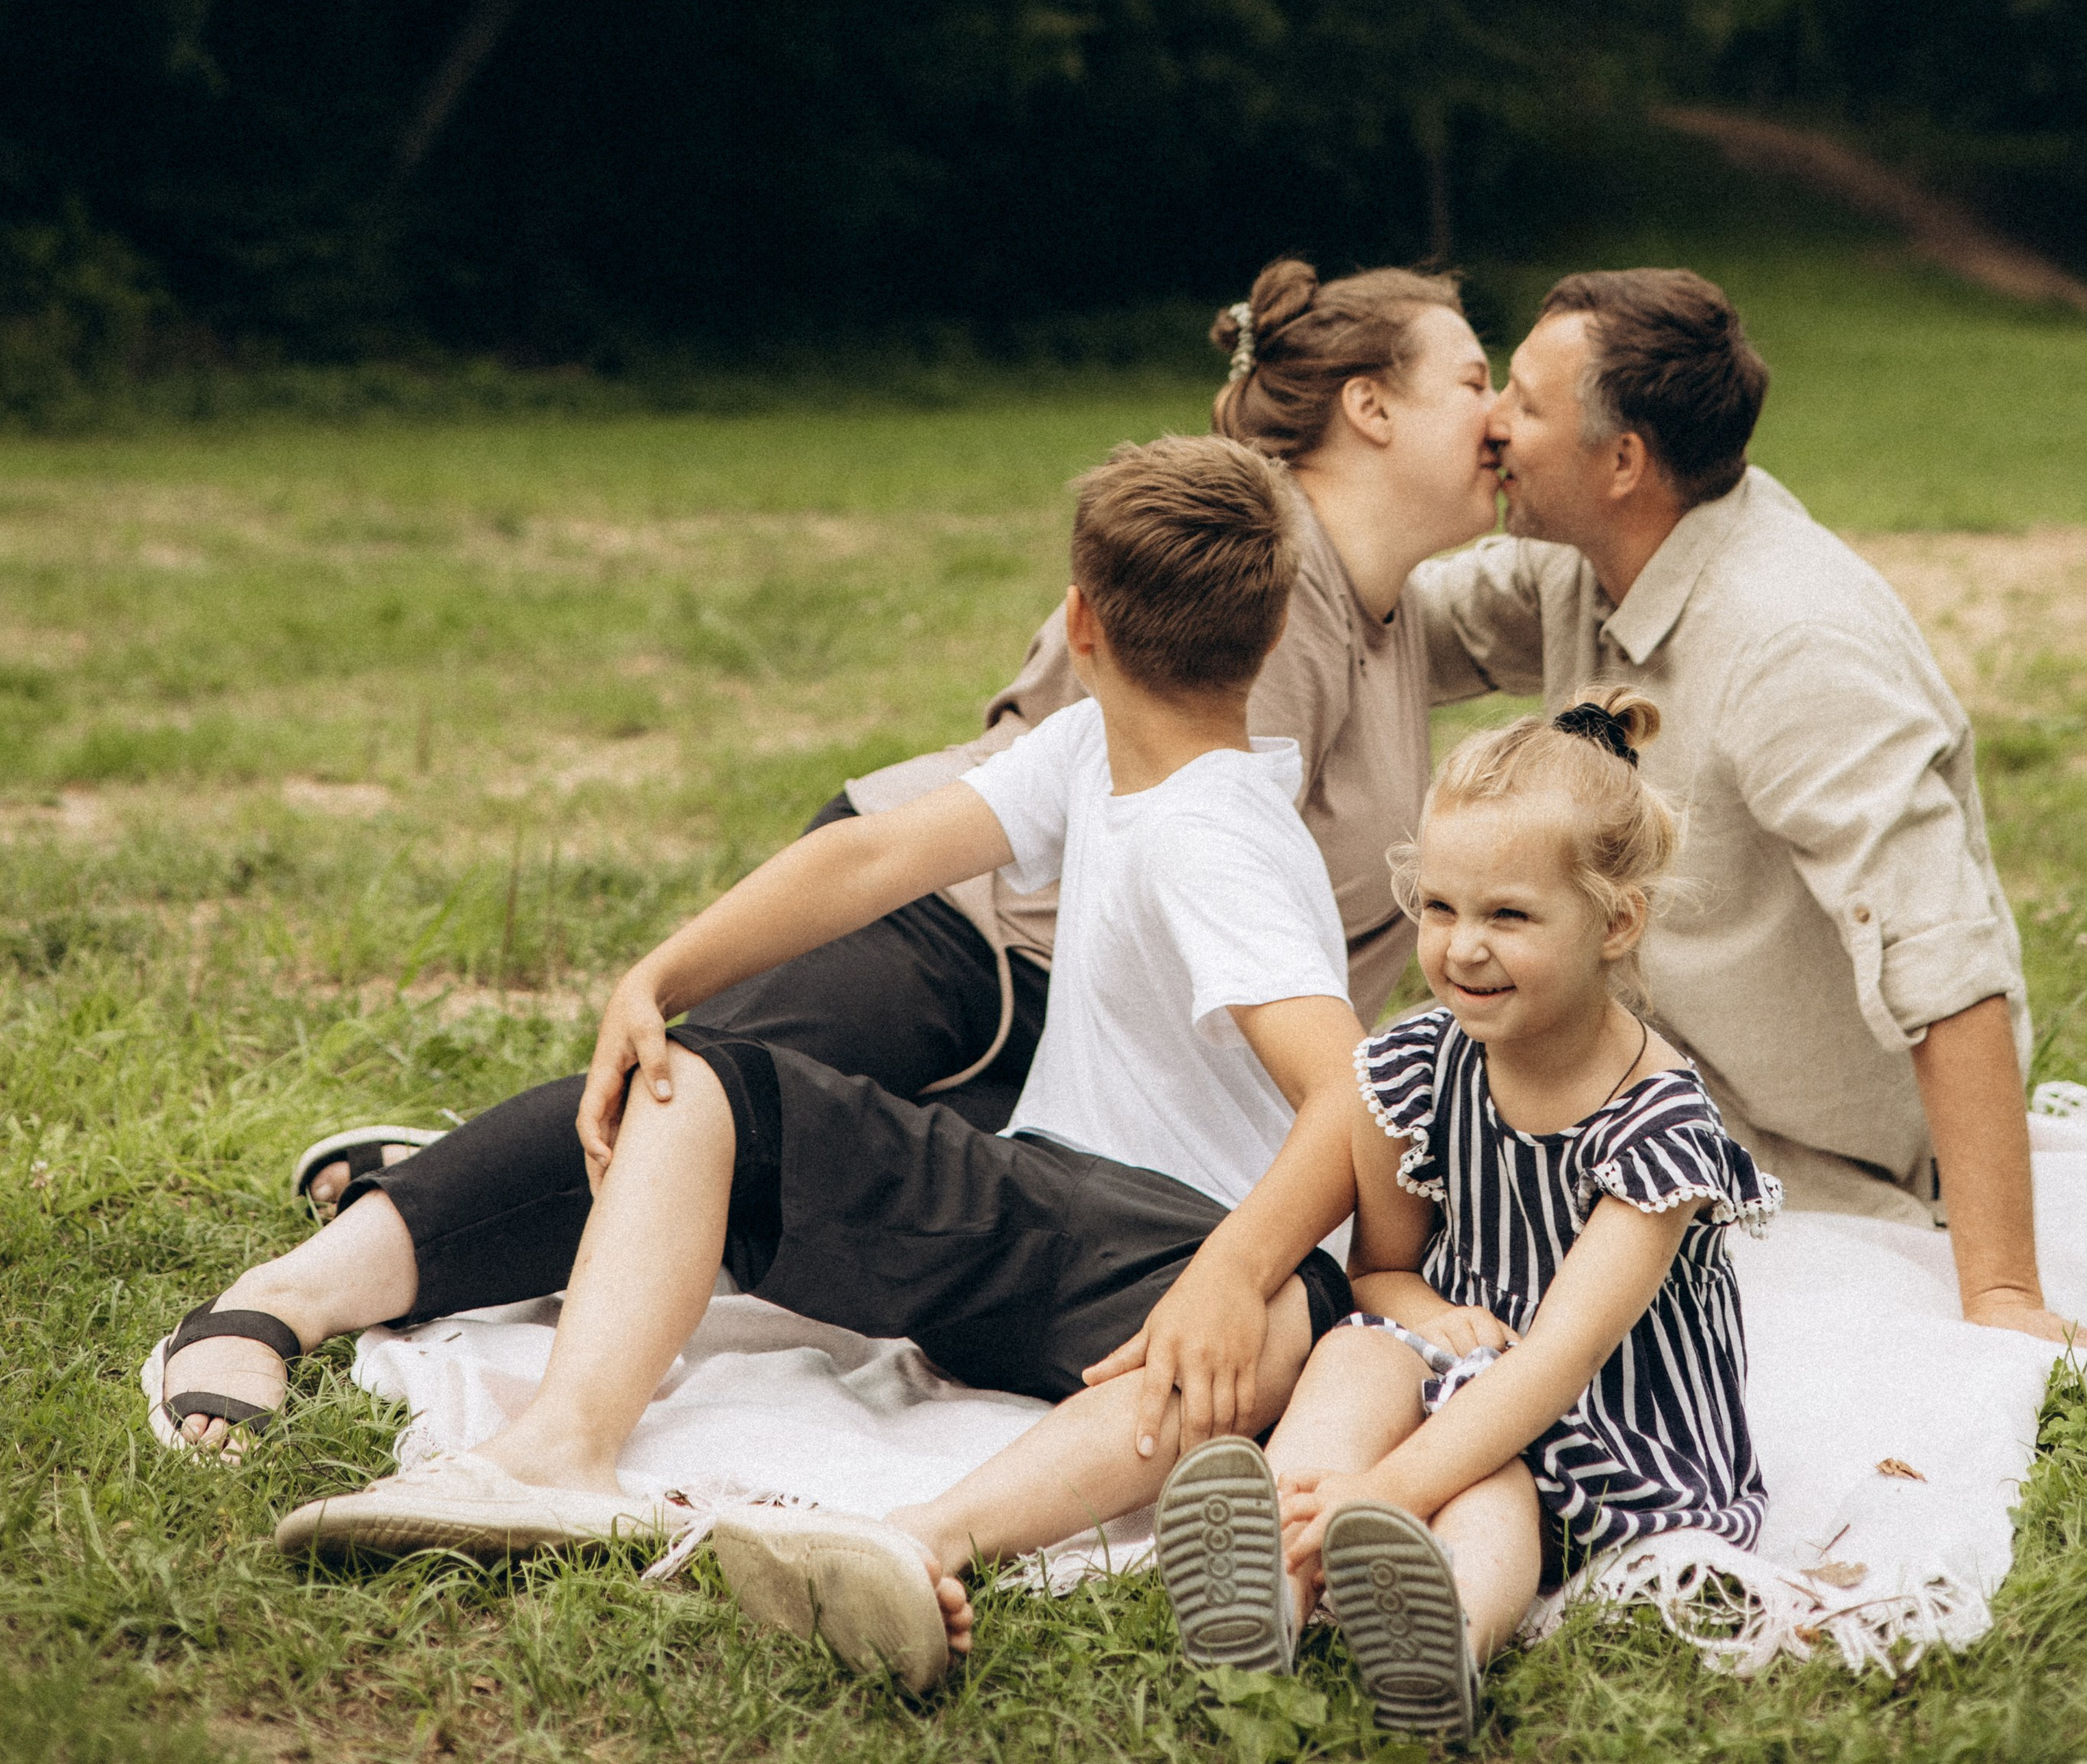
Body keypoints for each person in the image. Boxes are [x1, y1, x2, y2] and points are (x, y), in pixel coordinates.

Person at [149, 438, 1372, 1672]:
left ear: (1081, 621)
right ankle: (552, 1457)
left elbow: (1349, 1098)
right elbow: (871, 858)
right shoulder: (1096, 751)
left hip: (1180, 1261)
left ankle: (921, 1540)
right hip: (1039, 1201)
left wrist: (1231, 1271)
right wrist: (660, 979)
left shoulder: (1218, 837)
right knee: (699, 1087)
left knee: (1277, 1326)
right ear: (1272, 641)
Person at [286, 261, 1494, 1257]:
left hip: (1052, 990)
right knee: (691, 1103)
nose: (1499, 422)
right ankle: (330, 1270)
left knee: (767, 1197)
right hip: (972, 923)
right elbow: (1133, 853)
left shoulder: (1386, 611)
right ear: (1369, 406)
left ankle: (438, 1173)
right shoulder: (1254, 567)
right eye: (1480, 382)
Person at [1415, 265, 2067, 1338]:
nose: (1490, 424)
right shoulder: (1587, 564)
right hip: (1635, 1074)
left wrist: (2000, 1293)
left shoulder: (1789, 642)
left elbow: (1941, 953)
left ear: (1623, 461)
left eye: (1524, 404)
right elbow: (1389, 616)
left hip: (1802, 1148)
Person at [1149, 693, 1778, 1740]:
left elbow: (1557, 1365)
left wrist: (1389, 1485)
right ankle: (1273, 1580)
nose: (1461, 947)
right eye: (1439, 907)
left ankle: (1448, 1629)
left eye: (1508, 915)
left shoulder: (1656, 1123)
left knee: (1492, 1471)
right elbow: (1380, 1273)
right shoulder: (1421, 1063)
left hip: (1610, 1427)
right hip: (1470, 1372)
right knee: (1356, 1352)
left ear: (1614, 922)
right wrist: (1429, 1315)